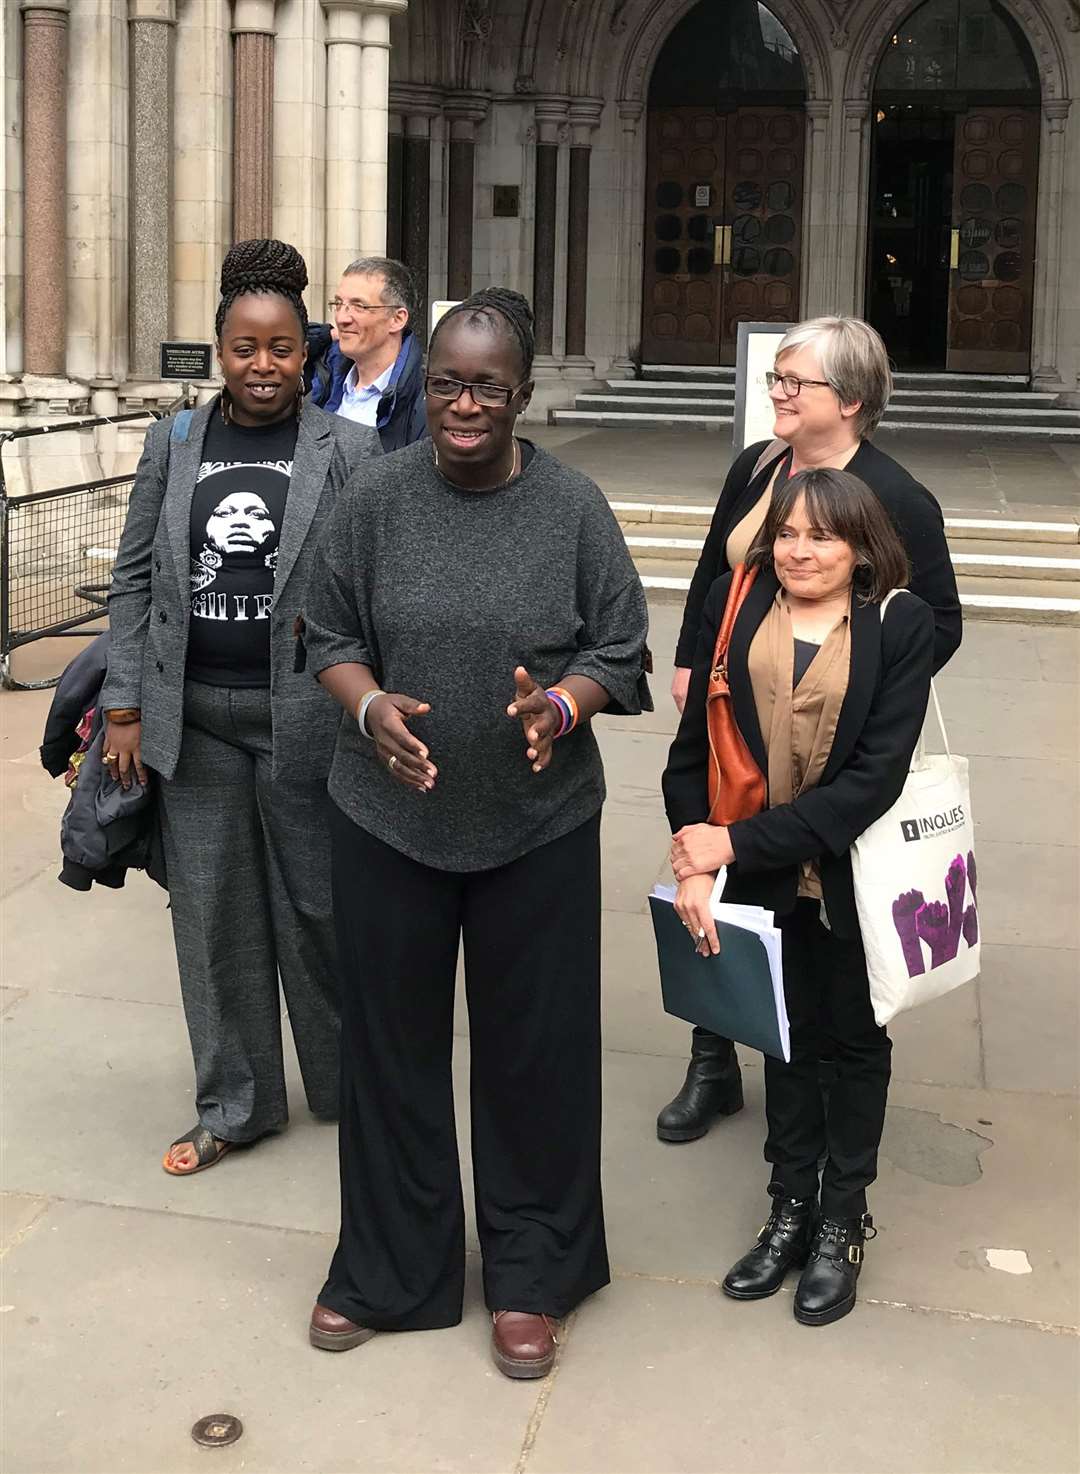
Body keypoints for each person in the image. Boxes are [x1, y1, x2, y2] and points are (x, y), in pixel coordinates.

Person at [299, 287, 651, 1377]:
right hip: (386, 817)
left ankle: (532, 1271)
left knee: (533, 1057)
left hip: (537, 826)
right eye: (445, 380)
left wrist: (561, 708)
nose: (463, 402)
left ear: (521, 394)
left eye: (487, 385)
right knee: (391, 1051)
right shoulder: (374, 497)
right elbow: (328, 633)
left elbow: (621, 648)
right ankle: (391, 1268)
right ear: (426, 381)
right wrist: (369, 709)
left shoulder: (574, 508)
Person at [99, 239, 381, 1175]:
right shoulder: (174, 441)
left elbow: (375, 585)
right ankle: (236, 1102)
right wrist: (127, 705)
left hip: (308, 719)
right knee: (213, 918)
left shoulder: (349, 448)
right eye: (243, 349)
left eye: (283, 349)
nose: (263, 367)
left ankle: (353, 1089)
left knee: (321, 909)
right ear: (219, 350)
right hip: (198, 720)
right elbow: (136, 576)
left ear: (310, 352)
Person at [657, 315, 962, 1146]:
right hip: (732, 721)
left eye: (796, 382)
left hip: (821, 747)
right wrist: (693, 660)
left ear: (852, 400)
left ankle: (804, 1071)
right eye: (777, 379)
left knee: (794, 908)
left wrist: (854, 687)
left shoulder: (896, 498)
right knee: (713, 878)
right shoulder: (758, 466)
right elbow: (712, 574)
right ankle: (712, 1056)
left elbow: (938, 621)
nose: (778, 393)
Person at [663, 467, 937, 1325]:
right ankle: (789, 1207)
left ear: (861, 546)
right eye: (786, 533)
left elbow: (870, 783)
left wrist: (733, 843)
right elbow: (693, 751)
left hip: (858, 877)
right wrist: (695, 862)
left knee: (852, 1041)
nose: (799, 550)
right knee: (783, 1039)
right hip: (766, 880)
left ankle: (843, 1217)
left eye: (821, 535)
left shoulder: (900, 625)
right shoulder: (738, 612)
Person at [305, 255, 427, 450]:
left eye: (359, 306)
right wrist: (325, 335)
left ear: (397, 319)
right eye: (338, 304)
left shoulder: (423, 400)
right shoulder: (323, 382)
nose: (342, 318)